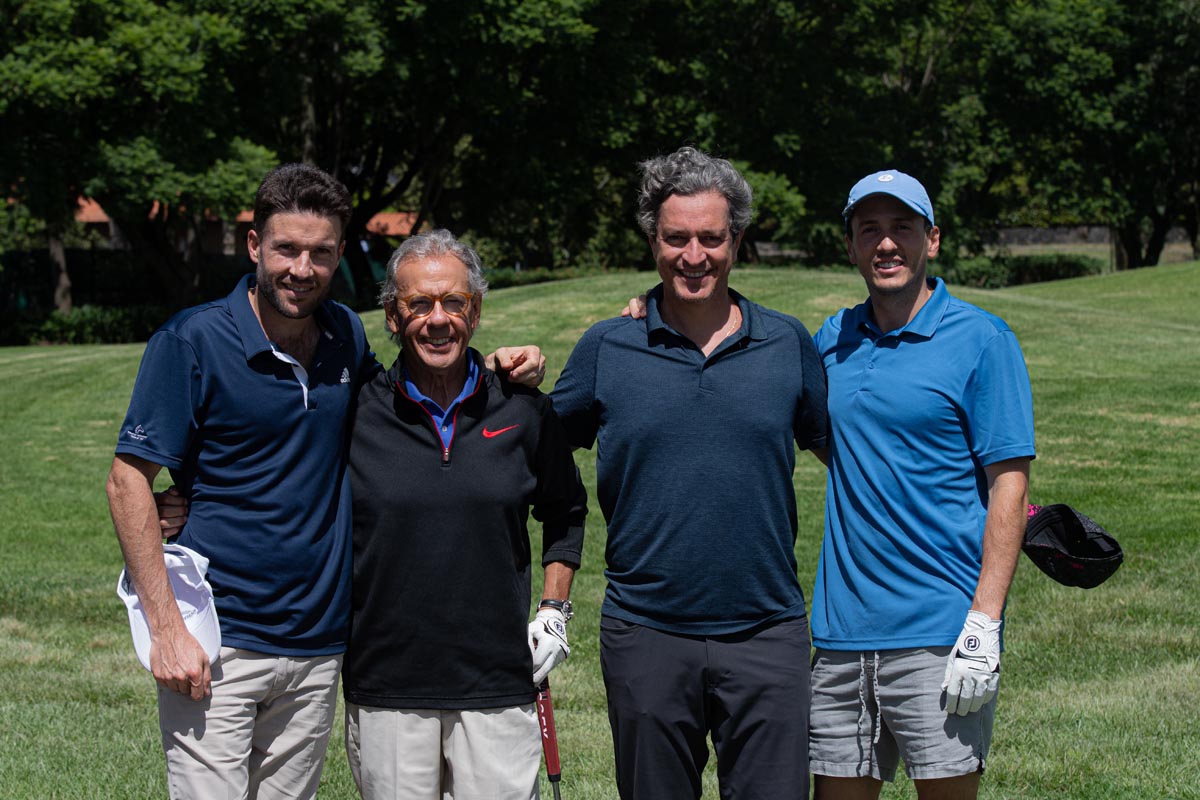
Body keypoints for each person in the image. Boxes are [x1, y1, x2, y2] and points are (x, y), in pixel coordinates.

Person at [107, 163, 544, 800]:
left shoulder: (344, 336)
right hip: (218, 641)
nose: (301, 269)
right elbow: (127, 481)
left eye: (320, 253)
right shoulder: (192, 341)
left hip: (318, 648)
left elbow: (415, 392)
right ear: (256, 246)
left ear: (339, 255)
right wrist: (167, 629)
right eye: (286, 249)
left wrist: (501, 365)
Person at [551, 146, 829, 799]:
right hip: (645, 632)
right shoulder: (606, 347)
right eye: (676, 238)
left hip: (766, 630)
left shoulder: (788, 343)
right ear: (653, 239)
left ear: (737, 240)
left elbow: (849, 460)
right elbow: (530, 451)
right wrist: (503, 379)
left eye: (711, 238)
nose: (694, 256)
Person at [808, 170, 1035, 799]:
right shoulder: (832, 341)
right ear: (850, 246)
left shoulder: (983, 341)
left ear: (931, 240)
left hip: (940, 634)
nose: (886, 243)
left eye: (902, 227)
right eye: (870, 230)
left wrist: (984, 623)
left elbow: (1008, 485)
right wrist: (652, 306)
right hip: (840, 636)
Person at [340, 230, 587, 800]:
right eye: (418, 304)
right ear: (391, 316)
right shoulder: (356, 413)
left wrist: (554, 608)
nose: (438, 319)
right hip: (387, 683)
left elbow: (566, 509)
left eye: (454, 302)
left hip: (497, 679)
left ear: (475, 312)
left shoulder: (524, 410)